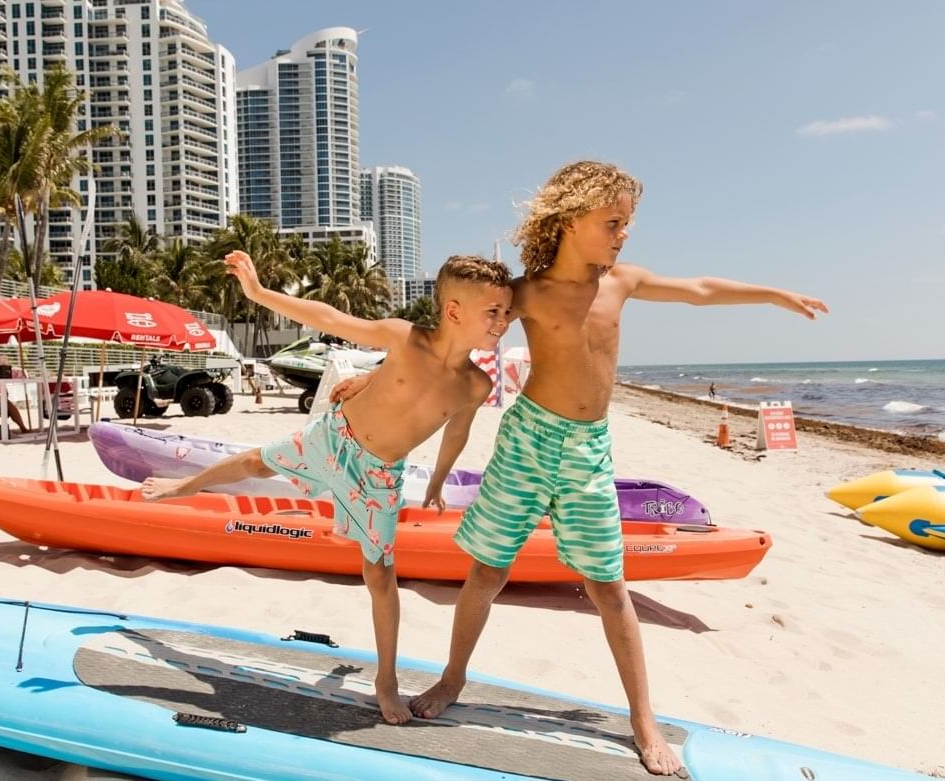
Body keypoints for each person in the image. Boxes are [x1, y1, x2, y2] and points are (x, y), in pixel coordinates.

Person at [341, 161, 827, 775]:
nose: (623, 235)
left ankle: (643, 720)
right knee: (487, 572)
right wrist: (374, 374)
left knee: (608, 586)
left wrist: (772, 294)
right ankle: (452, 679)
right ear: (571, 220)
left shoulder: (621, 282)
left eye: (628, 224)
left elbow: (698, 289)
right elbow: (449, 335)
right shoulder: (529, 293)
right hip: (527, 443)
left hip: (588, 451)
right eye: (614, 222)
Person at [141, 250, 513, 725]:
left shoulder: (476, 385)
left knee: (380, 575)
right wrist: (257, 293)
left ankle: (386, 681)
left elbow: (456, 432)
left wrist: (438, 480)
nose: (503, 322)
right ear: (454, 310)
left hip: (378, 476)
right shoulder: (404, 337)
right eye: (493, 312)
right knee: (258, 461)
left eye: (506, 313)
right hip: (335, 437)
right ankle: (185, 486)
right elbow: (331, 317)